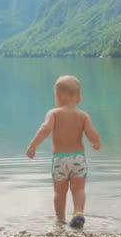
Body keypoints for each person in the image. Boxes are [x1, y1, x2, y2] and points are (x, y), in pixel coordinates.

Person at [26, 75, 101, 228]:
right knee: (79, 188)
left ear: (58, 96)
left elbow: (44, 130)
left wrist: (33, 145)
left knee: (59, 192)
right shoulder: (83, 116)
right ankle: (78, 213)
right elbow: (92, 133)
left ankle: (60, 220)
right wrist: (96, 142)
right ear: (78, 97)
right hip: (78, 159)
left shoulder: (54, 113)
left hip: (60, 159)